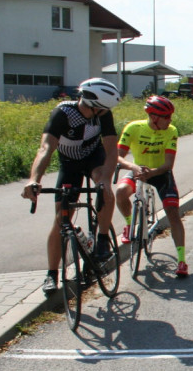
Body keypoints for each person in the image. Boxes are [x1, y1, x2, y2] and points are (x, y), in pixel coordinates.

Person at [22, 77, 122, 295]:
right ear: (95, 107)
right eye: (104, 110)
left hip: (94, 159)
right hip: (70, 164)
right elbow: (45, 148)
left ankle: (102, 239)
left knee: (105, 191)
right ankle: (51, 274)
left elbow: (112, 150)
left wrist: (105, 177)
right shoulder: (63, 114)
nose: (106, 113)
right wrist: (34, 180)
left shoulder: (104, 115)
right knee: (61, 219)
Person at [115, 95, 189, 278]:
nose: (170, 120)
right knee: (121, 192)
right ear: (154, 117)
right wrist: (133, 167)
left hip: (160, 173)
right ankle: (129, 224)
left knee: (173, 212)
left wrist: (151, 173)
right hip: (137, 169)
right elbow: (117, 156)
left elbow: (168, 165)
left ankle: (181, 260)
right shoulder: (133, 128)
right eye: (167, 117)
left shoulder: (171, 130)